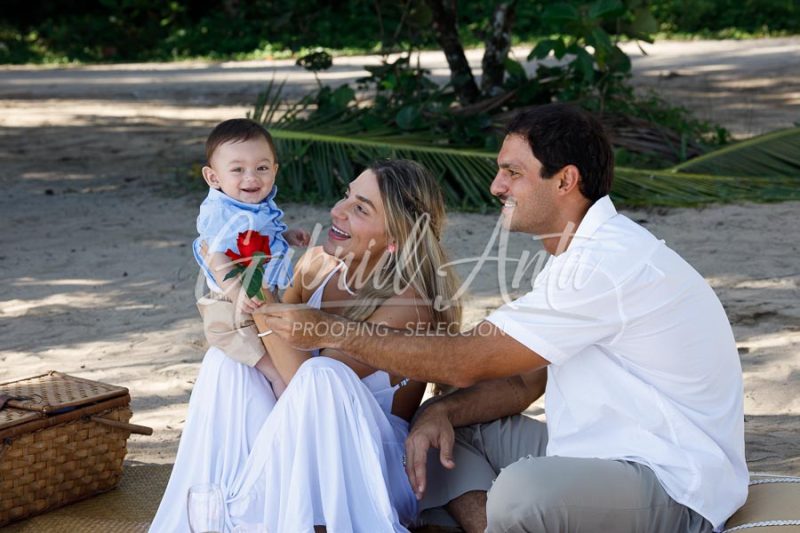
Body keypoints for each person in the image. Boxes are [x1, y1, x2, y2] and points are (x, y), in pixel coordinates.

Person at [260, 104, 749, 532]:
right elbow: (522, 383)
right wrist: (439, 412)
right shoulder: (576, 257)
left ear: (565, 181)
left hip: (673, 482)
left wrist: (328, 329)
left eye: (513, 173)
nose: (497, 186)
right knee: (445, 433)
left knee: (521, 492)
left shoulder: (605, 264)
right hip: (598, 453)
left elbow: (467, 361)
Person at [150, 159, 461, 532]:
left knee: (323, 373)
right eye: (346, 195)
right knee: (228, 362)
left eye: (360, 209)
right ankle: (209, 512)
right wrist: (246, 279)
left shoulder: (408, 304)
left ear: (397, 236)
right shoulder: (318, 265)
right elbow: (274, 354)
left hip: (371, 468)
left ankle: (242, 513)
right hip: (301, 446)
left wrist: (257, 292)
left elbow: (306, 385)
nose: (338, 210)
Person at [193, 118, 310, 397]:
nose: (251, 177)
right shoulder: (220, 212)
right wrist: (237, 293)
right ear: (213, 177)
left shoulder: (255, 204)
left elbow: (261, 238)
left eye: (262, 168)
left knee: (279, 340)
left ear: (274, 170)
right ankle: (273, 376)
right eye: (237, 169)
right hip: (231, 302)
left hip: (261, 294)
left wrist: (286, 236)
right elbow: (216, 256)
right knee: (244, 344)